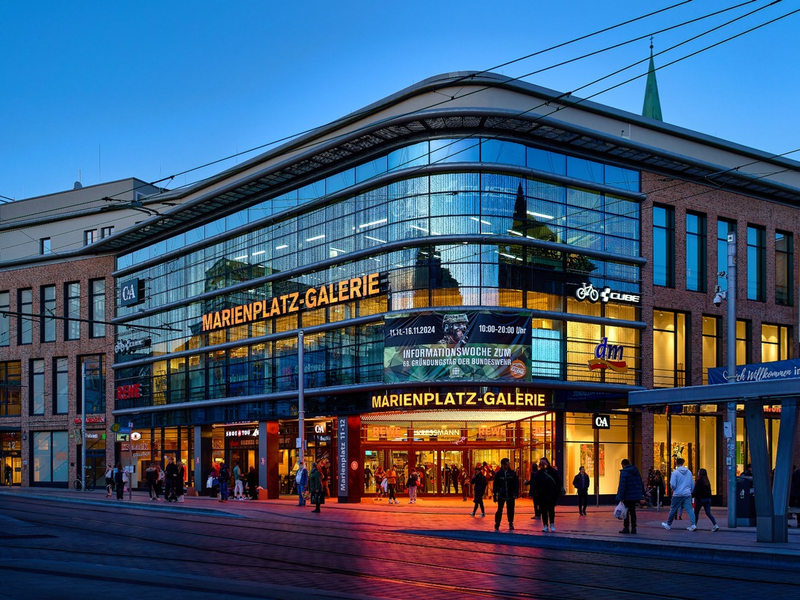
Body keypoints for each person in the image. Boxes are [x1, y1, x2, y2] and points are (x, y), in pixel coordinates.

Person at [662, 457, 696, 531]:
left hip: (677, 494)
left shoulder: (675, 473)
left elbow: (673, 484)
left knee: (673, 509)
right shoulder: (689, 472)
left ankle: (668, 524)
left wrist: (673, 489)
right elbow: (692, 483)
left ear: (676, 463)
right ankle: (693, 524)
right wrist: (691, 491)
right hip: (687, 493)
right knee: (689, 509)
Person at [532, 457, 561, 533]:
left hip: (551, 494)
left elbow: (558, 482)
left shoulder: (553, 472)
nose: (543, 465)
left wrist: (556, 492)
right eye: (542, 463)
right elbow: (535, 484)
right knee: (543, 511)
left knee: (551, 510)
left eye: (544, 463)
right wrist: (536, 493)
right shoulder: (539, 473)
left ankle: (552, 524)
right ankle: (545, 525)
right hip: (542, 495)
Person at [616, 459, 644, 534]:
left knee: (626, 512)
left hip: (627, 496)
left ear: (623, 464)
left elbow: (622, 486)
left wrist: (620, 496)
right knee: (633, 511)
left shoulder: (624, 473)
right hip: (634, 496)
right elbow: (640, 482)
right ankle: (634, 528)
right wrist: (641, 494)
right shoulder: (635, 471)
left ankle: (626, 527)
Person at [492, 457, 519, 531]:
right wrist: (495, 495)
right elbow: (495, 485)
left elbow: (516, 483)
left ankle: (510, 522)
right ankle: (497, 523)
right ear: (503, 465)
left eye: (508, 464)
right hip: (502, 494)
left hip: (510, 494)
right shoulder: (498, 474)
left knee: (510, 509)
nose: (508, 465)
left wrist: (516, 492)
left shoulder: (512, 473)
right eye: (506, 464)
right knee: (499, 509)